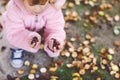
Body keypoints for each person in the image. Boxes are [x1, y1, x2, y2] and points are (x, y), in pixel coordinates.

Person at [1, 0, 66, 68]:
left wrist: (54, 38)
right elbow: (15, 32)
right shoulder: (15, 9)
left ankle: (51, 45)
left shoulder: (52, 8)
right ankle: (17, 49)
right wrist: (28, 38)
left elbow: (55, 26)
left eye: (42, 4)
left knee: (52, 34)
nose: (37, 9)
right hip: (18, 31)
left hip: (39, 27)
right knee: (13, 38)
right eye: (32, 5)